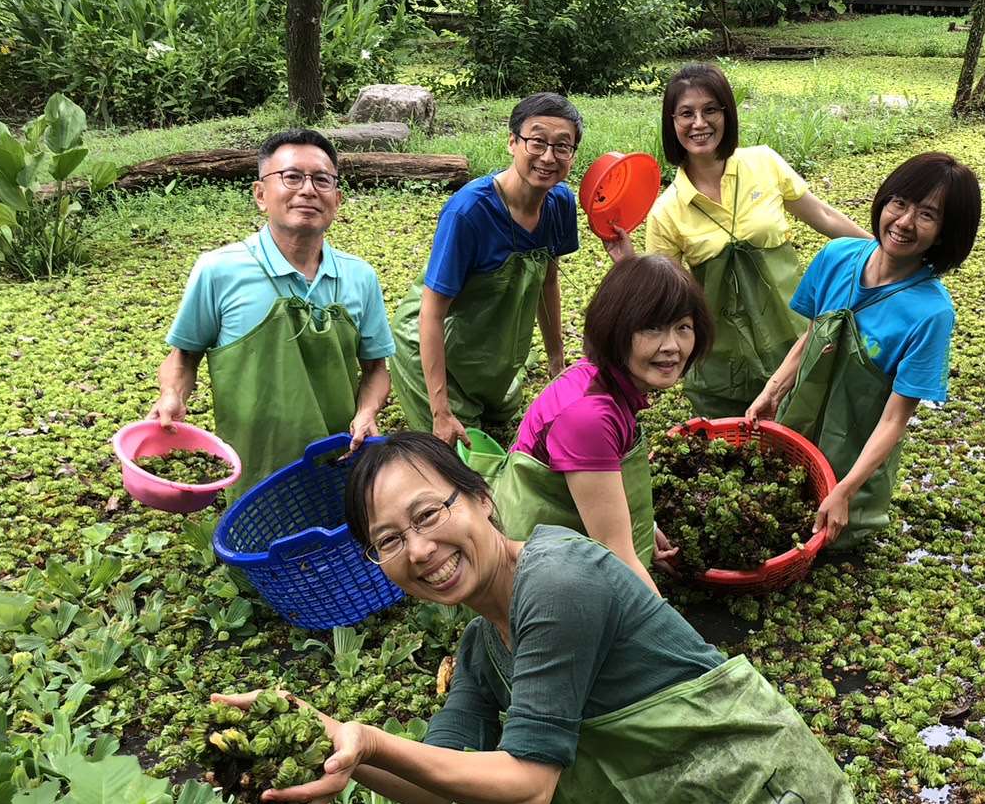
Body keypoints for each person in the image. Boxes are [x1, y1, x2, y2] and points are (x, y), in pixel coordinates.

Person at [216, 433, 872, 804]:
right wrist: (331, 747)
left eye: (428, 514)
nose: (417, 549)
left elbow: (528, 789)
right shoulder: (480, 645)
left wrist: (367, 740)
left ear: (480, 497)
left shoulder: (557, 582)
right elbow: (435, 789)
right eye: (388, 539)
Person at [746, 151, 982, 548]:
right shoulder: (836, 256)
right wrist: (772, 392)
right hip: (796, 429)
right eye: (900, 203)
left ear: (944, 233)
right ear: (884, 201)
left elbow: (894, 420)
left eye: (927, 215)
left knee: (829, 545)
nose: (904, 222)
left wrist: (845, 490)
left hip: (854, 459)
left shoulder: (931, 313)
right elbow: (811, 339)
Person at [615, 63, 869, 419]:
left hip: (794, 332)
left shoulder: (764, 163)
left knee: (809, 424)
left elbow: (824, 217)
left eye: (710, 110)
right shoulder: (667, 210)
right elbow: (664, 296)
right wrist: (627, 266)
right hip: (722, 360)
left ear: (727, 114)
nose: (699, 123)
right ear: (672, 123)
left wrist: (882, 252)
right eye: (686, 113)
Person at [150, 129, 394, 498]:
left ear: (337, 199)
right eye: (292, 177)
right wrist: (172, 395)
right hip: (255, 473)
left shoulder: (360, 276)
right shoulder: (219, 270)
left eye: (322, 180)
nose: (308, 190)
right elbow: (183, 357)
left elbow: (377, 369)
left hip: (341, 464)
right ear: (261, 194)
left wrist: (366, 412)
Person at [490, 255, 714, 593]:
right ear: (616, 327)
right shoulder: (589, 417)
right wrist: (682, 643)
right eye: (652, 327)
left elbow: (601, 483)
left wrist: (644, 525)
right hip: (537, 583)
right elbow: (618, 559)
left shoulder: (603, 378)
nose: (671, 346)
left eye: (683, 327)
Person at [388, 93, 581, 447]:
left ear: (572, 155)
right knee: (463, 457)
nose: (548, 157)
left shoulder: (561, 202)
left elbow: (547, 281)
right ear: (512, 142)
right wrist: (440, 412)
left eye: (562, 146)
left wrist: (558, 365)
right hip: (430, 346)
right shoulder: (468, 212)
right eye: (537, 142)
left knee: (501, 421)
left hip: (490, 354)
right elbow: (430, 314)